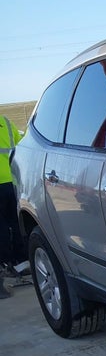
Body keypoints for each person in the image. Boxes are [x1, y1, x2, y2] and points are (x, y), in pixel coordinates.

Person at [1, 115, 25, 299]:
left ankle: (4, 264)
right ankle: (21, 263)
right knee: (16, 224)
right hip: (11, 183)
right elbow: (21, 146)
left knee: (1, 228)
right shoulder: (7, 122)